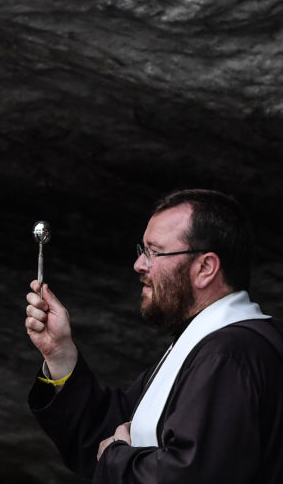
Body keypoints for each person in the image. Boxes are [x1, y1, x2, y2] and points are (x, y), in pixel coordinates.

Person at [25, 189, 283, 482]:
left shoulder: (229, 355)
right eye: (143, 251)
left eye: (154, 252)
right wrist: (60, 354)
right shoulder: (208, 344)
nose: (139, 264)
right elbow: (109, 429)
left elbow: (190, 476)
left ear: (205, 268)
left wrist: (117, 455)